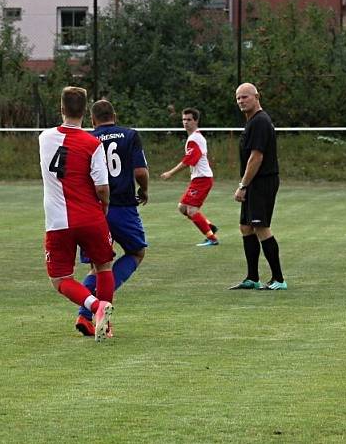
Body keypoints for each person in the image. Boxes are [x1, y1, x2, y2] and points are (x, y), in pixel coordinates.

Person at [38, 86, 114, 341]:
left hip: (57, 221)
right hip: (91, 217)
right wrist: (103, 208)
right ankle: (106, 321)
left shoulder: (44, 138)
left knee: (60, 279)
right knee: (103, 266)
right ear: (85, 111)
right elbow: (102, 187)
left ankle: (94, 306)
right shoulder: (93, 144)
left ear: (61, 109)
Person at [74, 99, 149, 337]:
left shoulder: (86, 138)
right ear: (114, 115)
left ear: (93, 120)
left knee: (97, 267)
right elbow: (139, 170)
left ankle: (85, 315)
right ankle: (99, 307)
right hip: (123, 207)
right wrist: (144, 190)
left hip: (94, 209)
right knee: (136, 252)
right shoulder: (130, 135)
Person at [229, 83, 286, 290]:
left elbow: (257, 157)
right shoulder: (252, 121)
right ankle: (252, 277)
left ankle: (279, 279)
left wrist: (243, 185)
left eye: (245, 97)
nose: (241, 101)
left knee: (260, 226)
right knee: (246, 227)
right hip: (254, 182)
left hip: (262, 181)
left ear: (256, 97)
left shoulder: (260, 121)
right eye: (238, 98)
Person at [160, 108, 219, 247]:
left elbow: (189, 160)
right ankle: (209, 226)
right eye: (184, 119)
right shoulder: (194, 137)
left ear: (196, 121)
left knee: (191, 210)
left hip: (202, 179)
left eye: (189, 120)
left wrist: (170, 173)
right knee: (182, 208)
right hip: (199, 179)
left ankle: (212, 238)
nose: (185, 122)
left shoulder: (194, 139)